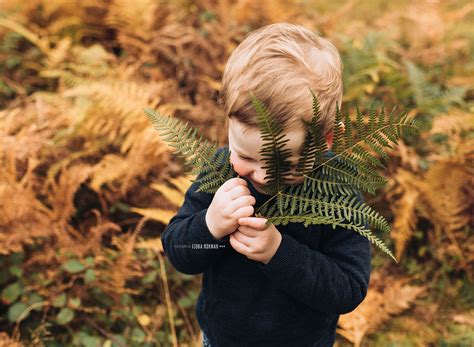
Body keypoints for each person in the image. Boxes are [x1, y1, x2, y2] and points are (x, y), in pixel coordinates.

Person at [161, 22, 371, 347]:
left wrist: (279, 252)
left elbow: (347, 289)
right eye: (245, 155)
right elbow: (181, 252)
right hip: (221, 339)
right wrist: (210, 226)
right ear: (228, 126)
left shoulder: (336, 192)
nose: (261, 176)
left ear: (325, 141)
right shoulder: (220, 173)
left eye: (282, 164)